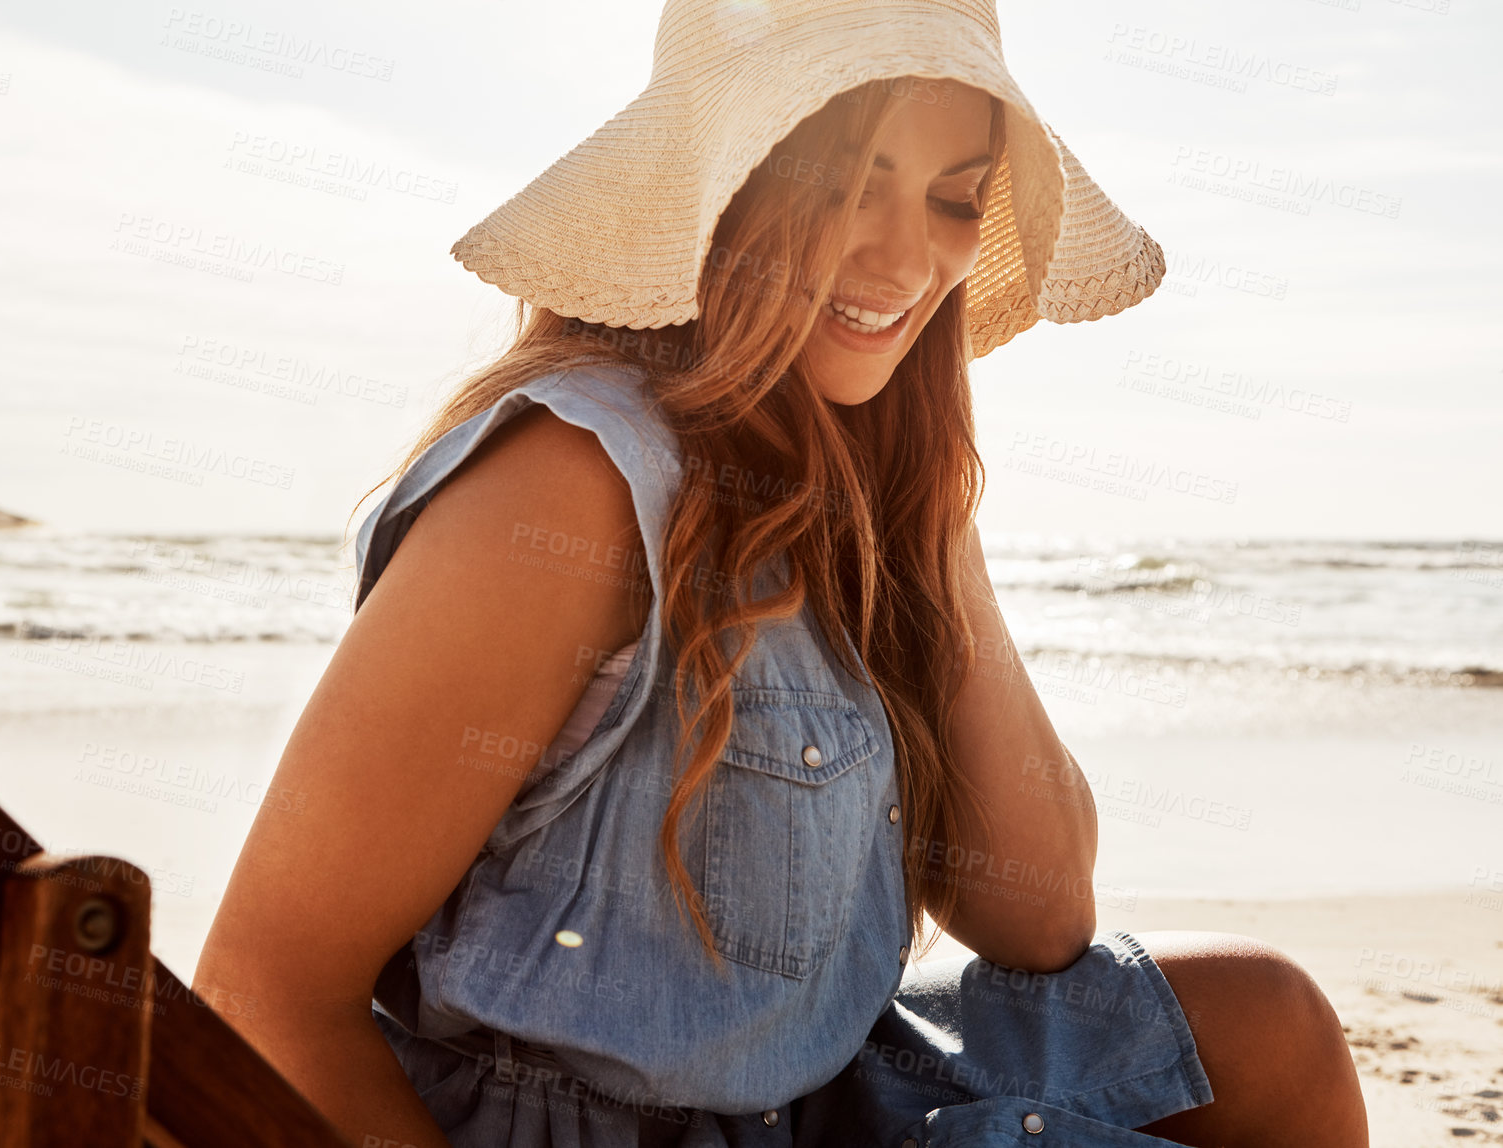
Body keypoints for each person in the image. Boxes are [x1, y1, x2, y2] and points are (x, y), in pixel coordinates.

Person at [195, 1, 1369, 1144]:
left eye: (956, 196)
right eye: (849, 181)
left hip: (817, 1095)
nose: (910, 257)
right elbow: (265, 990)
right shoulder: (573, 486)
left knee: (1268, 1028)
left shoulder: (833, 481)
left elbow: (1041, 909)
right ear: (720, 181)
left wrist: (923, 497)